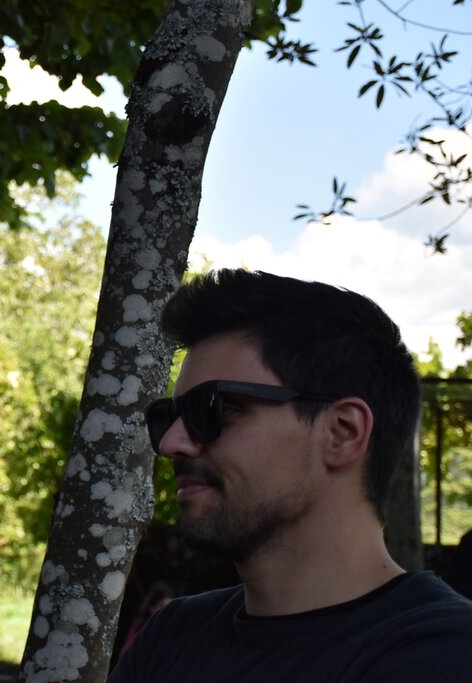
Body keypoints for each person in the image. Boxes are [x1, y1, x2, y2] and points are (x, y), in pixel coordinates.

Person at [108, 269, 472, 683]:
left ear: (342, 433)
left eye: (214, 409)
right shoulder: (171, 637)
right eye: (168, 417)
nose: (172, 442)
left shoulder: (445, 655)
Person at [117, 581, 175, 655]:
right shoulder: (139, 628)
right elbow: (125, 653)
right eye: (161, 606)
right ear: (151, 607)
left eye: (170, 607)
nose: (167, 611)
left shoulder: (172, 631)